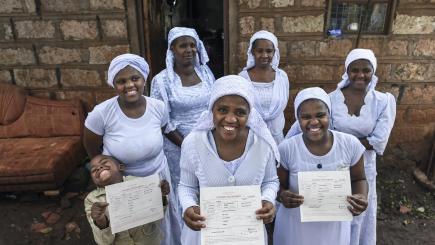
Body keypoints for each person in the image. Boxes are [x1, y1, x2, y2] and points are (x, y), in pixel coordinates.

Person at [83, 53, 181, 245]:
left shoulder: (157, 107)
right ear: (114, 84)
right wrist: (106, 175)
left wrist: (191, 146)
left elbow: (165, 129)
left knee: (161, 221)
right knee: (131, 231)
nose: (129, 85)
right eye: (121, 81)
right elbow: (92, 148)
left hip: (158, 176)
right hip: (122, 182)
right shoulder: (102, 113)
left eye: (135, 78)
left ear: (144, 79)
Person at [178, 75, 279, 244]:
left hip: (247, 235)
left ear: (250, 114)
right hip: (206, 235)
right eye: (222, 110)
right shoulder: (193, 143)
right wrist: (188, 206)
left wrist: (268, 200)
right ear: (212, 110)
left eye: (240, 112)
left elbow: (271, 180)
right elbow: (186, 185)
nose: (230, 119)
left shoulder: (262, 144)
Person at [274, 87, 368, 245]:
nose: (314, 122)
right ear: (297, 119)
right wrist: (283, 195)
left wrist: (361, 196)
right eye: (305, 117)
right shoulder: (287, 149)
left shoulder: (350, 144)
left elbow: (359, 179)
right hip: (295, 227)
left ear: (329, 114)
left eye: (320, 115)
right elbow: (277, 185)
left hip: (334, 227)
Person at [329, 48, 396, 245]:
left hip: (365, 168)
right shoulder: (331, 99)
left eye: (366, 70)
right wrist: (360, 141)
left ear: (373, 71)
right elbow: (325, 134)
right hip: (335, 165)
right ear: (346, 71)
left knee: (359, 210)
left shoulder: (383, 101)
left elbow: (378, 140)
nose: (360, 75)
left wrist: (342, 140)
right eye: (354, 70)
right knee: (335, 209)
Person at [151, 27, 215, 216]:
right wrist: (186, 144)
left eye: (192, 45)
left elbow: (214, 105)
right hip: (177, 146)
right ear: (172, 49)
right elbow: (162, 121)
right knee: (184, 187)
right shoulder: (162, 81)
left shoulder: (205, 73)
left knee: (205, 183)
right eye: (183, 45)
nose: (189, 49)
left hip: (207, 142)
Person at [85, 154, 169, 245]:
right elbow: (103, 242)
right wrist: (100, 220)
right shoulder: (92, 200)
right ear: (94, 181)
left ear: (121, 167)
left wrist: (160, 195)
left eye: (104, 162)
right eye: (94, 170)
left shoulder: (140, 183)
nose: (99, 168)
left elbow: (158, 217)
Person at [239, 30, 289, 144]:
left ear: (274, 52)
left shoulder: (282, 77)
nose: (265, 55)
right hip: (251, 137)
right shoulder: (243, 78)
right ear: (252, 52)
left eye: (269, 51)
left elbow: (284, 100)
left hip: (277, 138)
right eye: (259, 51)